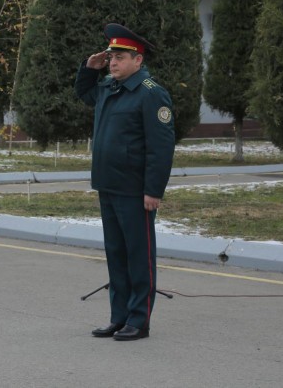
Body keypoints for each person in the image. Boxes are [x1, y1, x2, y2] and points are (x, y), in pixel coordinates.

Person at [75, 23, 175, 341]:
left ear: (138, 61)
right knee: (116, 254)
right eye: (110, 56)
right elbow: (84, 93)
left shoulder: (151, 94)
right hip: (108, 184)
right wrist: (89, 70)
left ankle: (139, 319)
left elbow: (160, 148)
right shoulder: (108, 88)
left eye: (119, 57)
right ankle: (118, 316)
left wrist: (153, 190)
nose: (113, 62)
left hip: (134, 190)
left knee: (138, 255)